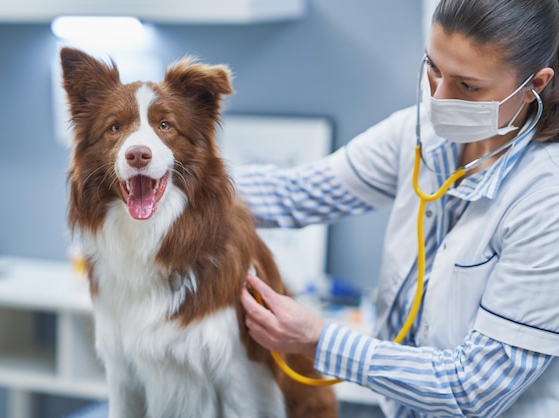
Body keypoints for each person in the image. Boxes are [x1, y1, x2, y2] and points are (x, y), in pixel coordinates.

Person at [238, 0, 559, 416]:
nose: (438, 98)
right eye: (433, 68)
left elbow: (472, 389)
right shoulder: (420, 132)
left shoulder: (545, 198)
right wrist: (175, 178)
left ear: (535, 83)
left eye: (468, 86)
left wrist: (319, 340)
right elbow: (297, 192)